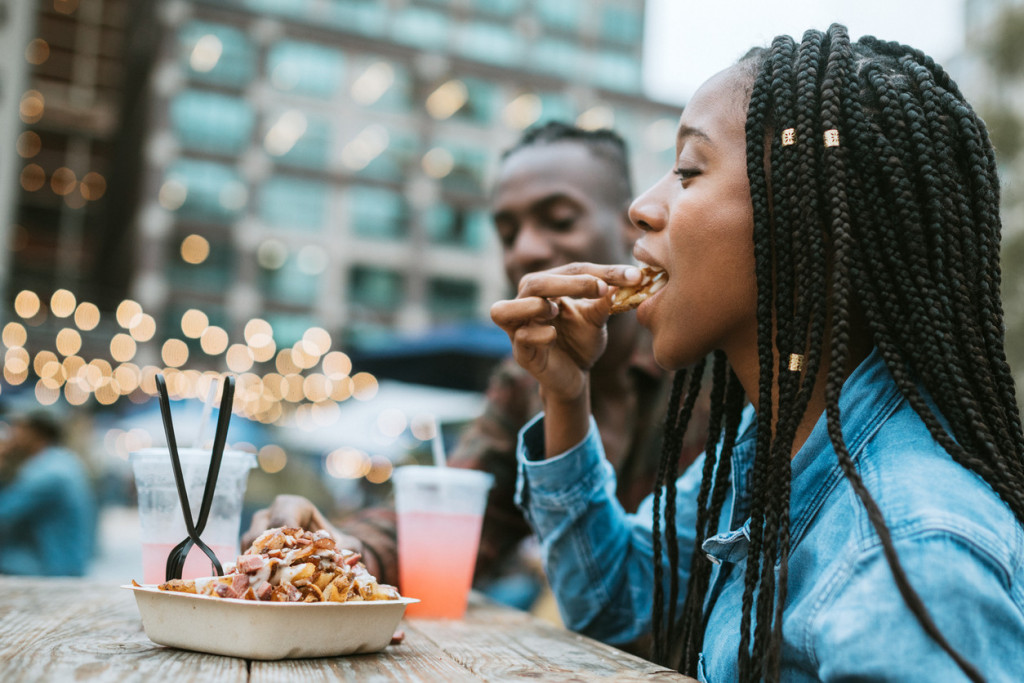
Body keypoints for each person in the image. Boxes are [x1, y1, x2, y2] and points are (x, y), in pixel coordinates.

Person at [491, 25, 1024, 682]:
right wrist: (567, 395)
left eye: (687, 171)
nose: (642, 206)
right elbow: (617, 599)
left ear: (808, 223)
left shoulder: (912, 550)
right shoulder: (775, 442)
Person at [245, 123, 707, 603]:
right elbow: (452, 508)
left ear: (630, 222)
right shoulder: (525, 380)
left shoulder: (704, 361)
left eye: (560, 220)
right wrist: (339, 547)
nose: (525, 249)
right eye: (507, 234)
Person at [0, 411, 96, 576]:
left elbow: (4, 512)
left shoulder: (47, 473)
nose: (10, 436)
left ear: (34, 432)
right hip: (66, 562)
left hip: (53, 568)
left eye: (16, 428)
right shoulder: (63, 460)